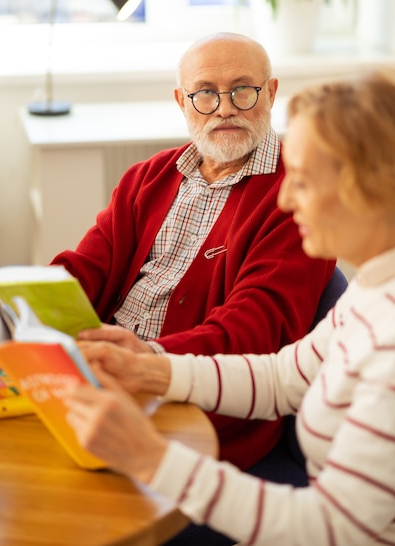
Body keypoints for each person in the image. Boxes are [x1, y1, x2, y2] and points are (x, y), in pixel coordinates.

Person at [65, 68, 395, 545]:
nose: (286, 196)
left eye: (303, 180)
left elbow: (334, 529)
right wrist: (150, 366)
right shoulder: (378, 286)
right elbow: (284, 378)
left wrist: (153, 459)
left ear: (370, 186)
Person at [51, 31, 334, 471]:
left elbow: (256, 330)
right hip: (105, 379)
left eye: (243, 89)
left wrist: (149, 360)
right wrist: (21, 301)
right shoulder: (146, 177)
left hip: (198, 410)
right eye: (205, 93)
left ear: (271, 93)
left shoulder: (298, 196)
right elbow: (84, 268)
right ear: (182, 101)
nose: (224, 107)